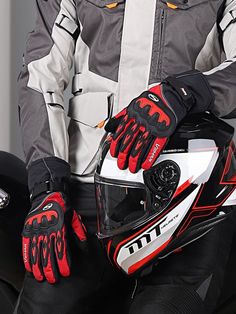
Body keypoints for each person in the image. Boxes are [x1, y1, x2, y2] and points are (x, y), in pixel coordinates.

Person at [14, 0, 236, 313]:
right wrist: (47, 189)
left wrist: (185, 92)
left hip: (189, 200)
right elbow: (40, 78)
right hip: (84, 201)